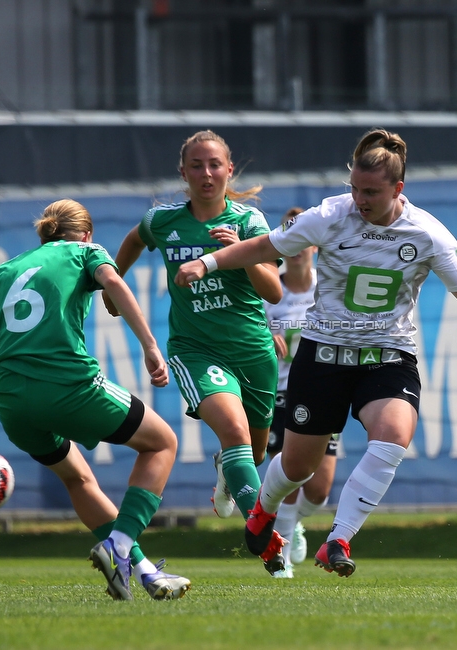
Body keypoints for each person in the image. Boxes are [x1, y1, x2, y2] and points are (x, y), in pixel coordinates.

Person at [175, 128, 457, 576]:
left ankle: (339, 539)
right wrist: (206, 262)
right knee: (297, 468)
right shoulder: (330, 214)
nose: (359, 199)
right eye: (355, 188)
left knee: (393, 435)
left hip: (388, 355)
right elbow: (267, 246)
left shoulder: (426, 232)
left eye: (371, 192)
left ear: (397, 189)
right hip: (324, 355)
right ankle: (264, 509)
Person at [0, 199, 191, 602]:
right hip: (69, 387)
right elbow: (116, 283)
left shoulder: (7, 268)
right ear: (86, 234)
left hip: (15, 405)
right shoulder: (87, 251)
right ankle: (119, 545)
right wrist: (150, 346)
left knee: (77, 478)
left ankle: (142, 572)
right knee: (163, 443)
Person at [102, 130, 287, 574]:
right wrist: (111, 283)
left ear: (229, 170)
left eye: (215, 165)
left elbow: (274, 292)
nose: (206, 174)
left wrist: (235, 254)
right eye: (197, 166)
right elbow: (130, 243)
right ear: (182, 173)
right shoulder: (162, 221)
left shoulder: (248, 223)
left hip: (253, 349)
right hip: (195, 349)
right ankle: (265, 541)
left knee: (254, 454)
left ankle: (229, 471)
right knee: (236, 433)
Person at [262, 207, 337, 579]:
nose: (297, 247)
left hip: (324, 388)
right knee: (290, 472)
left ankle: (297, 523)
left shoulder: (328, 285)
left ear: (314, 244)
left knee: (320, 489)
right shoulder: (268, 289)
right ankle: (283, 554)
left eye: (303, 238)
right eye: (289, 236)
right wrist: (264, 335)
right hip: (281, 391)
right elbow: (249, 328)